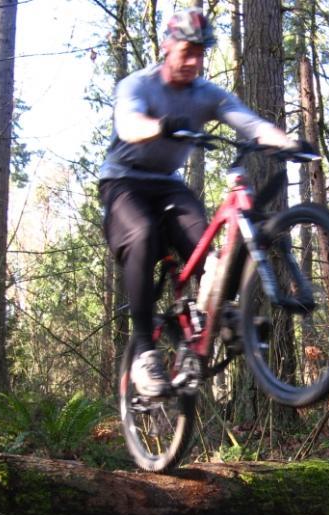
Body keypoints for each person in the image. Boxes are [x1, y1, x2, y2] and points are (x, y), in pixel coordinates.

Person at [99, 9, 301, 397]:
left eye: (201, 53)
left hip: (169, 186)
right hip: (123, 182)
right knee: (141, 234)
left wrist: (288, 142)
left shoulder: (207, 94)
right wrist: (160, 125)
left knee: (211, 253)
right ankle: (144, 353)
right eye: (186, 51)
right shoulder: (136, 85)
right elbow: (128, 125)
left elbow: (249, 122)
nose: (194, 61)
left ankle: (216, 316)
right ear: (166, 47)